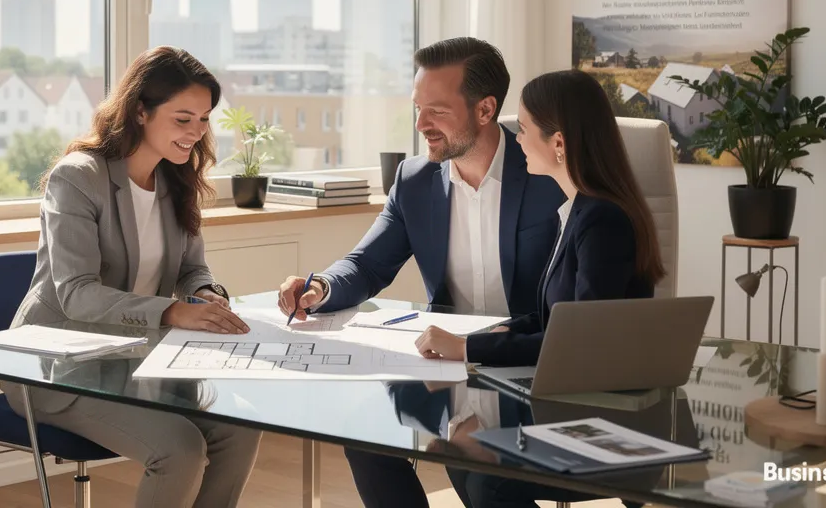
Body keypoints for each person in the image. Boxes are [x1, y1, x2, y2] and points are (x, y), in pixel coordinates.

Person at [276, 37, 566, 508]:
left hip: (532, 366)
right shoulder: (414, 181)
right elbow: (367, 263)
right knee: (364, 437)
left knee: (481, 483)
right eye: (418, 109)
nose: (420, 125)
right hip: (450, 368)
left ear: (485, 109)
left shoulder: (546, 172)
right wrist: (321, 287)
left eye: (437, 111)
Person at [1, 46, 261, 508]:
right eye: (183, 119)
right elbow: (77, 295)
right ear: (141, 111)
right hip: (57, 370)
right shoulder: (77, 178)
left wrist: (204, 294)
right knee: (179, 448)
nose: (197, 131)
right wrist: (174, 312)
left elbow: (191, 268)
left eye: (204, 119)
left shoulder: (176, 180)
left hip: (133, 365)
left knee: (240, 427)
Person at [412, 68, 667, 508]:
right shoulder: (576, 212)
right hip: (568, 400)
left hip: (602, 420)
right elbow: (557, 317)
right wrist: (499, 332)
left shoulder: (602, 221)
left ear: (559, 143)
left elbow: (576, 341)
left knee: (489, 482)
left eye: (525, 129)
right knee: (462, 453)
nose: (518, 140)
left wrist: (468, 349)